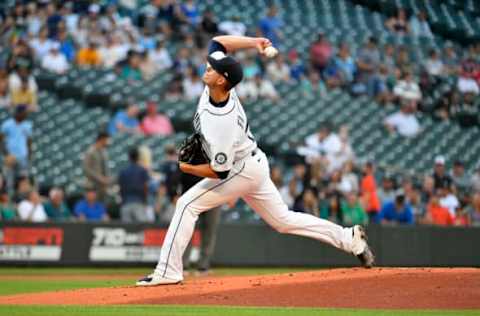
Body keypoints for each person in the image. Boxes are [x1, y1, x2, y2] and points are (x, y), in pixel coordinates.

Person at [137, 35, 373, 286]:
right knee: (283, 220)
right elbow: (218, 43)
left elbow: (221, 172)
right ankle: (349, 239)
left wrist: (187, 167)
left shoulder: (222, 123)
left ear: (222, 79)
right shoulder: (218, 86)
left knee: (186, 204)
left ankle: (168, 271)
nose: (207, 67)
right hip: (253, 163)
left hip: (241, 169)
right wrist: (253, 42)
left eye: (212, 68)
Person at [118, 148, 150, 222]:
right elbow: (146, 187)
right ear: (138, 157)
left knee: (127, 230)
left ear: (129, 157)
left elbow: (120, 188)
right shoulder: (142, 170)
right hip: (139, 203)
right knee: (142, 228)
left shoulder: (123, 171)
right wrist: (145, 201)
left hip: (126, 203)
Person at [83, 131, 111, 204]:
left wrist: (106, 179)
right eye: (107, 140)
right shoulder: (90, 151)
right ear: (102, 139)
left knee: (102, 208)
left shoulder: (104, 152)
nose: (108, 142)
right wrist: (100, 178)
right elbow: (86, 169)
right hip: (92, 186)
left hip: (103, 186)